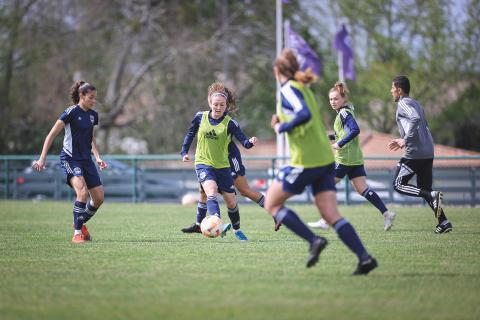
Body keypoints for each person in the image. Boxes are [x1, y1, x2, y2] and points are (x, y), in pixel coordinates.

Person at [264, 48, 377, 274]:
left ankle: (314, 240)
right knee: (331, 215)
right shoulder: (304, 88)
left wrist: (279, 126)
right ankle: (364, 258)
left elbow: (303, 114)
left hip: (307, 161)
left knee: (272, 204)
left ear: (277, 71)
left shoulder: (287, 90)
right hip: (325, 160)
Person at [308, 82, 396, 231]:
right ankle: (387, 214)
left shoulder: (344, 113)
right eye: (330, 99)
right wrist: (327, 138)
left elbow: (355, 130)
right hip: (355, 158)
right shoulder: (346, 112)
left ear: (343, 99)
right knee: (363, 189)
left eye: (336, 99)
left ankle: (325, 220)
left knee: (324, 186)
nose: (332, 102)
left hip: (344, 159)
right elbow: (342, 133)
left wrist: (340, 144)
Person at [180, 82, 258, 240]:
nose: (218, 107)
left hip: (222, 166)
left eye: (222, 105)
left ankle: (237, 230)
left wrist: (250, 142)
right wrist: (184, 152)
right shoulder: (199, 117)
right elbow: (190, 134)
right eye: (215, 104)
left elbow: (244, 142)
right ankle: (217, 223)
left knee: (231, 202)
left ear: (226, 106)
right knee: (210, 190)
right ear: (210, 102)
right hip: (203, 163)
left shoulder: (230, 124)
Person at [33, 81, 107, 243]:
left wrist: (98, 156)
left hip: (86, 160)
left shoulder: (93, 115)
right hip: (70, 158)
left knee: (99, 198)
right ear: (81, 96)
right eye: (90, 98)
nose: (93, 101)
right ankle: (77, 234)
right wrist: (42, 158)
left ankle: (78, 222)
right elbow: (51, 135)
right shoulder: (70, 113)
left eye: (95, 98)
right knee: (82, 192)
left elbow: (91, 138)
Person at [388, 75, 452, 234]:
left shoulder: (403, 102)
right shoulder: (416, 103)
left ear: (399, 90)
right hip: (428, 150)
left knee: (398, 184)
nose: (391, 91)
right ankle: (443, 221)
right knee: (425, 189)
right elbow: (420, 124)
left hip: (415, 152)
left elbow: (415, 119)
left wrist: (405, 139)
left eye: (392, 88)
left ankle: (433, 195)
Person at [181, 139, 282, 239]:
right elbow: (192, 132)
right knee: (203, 191)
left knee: (244, 190)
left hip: (228, 157)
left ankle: (275, 212)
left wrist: (248, 142)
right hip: (209, 159)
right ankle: (199, 225)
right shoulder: (201, 123)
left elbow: (238, 134)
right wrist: (184, 152)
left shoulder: (228, 123)